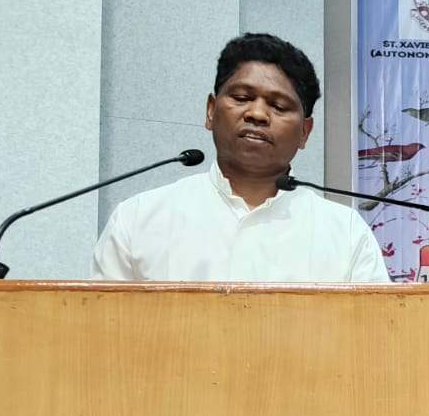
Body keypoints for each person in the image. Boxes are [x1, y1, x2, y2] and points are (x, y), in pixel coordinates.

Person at [92, 33, 391, 283]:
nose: (257, 114)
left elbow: (373, 331)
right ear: (211, 110)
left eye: (278, 106)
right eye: (242, 98)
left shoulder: (345, 234)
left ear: (305, 132)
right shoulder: (138, 220)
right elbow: (100, 327)